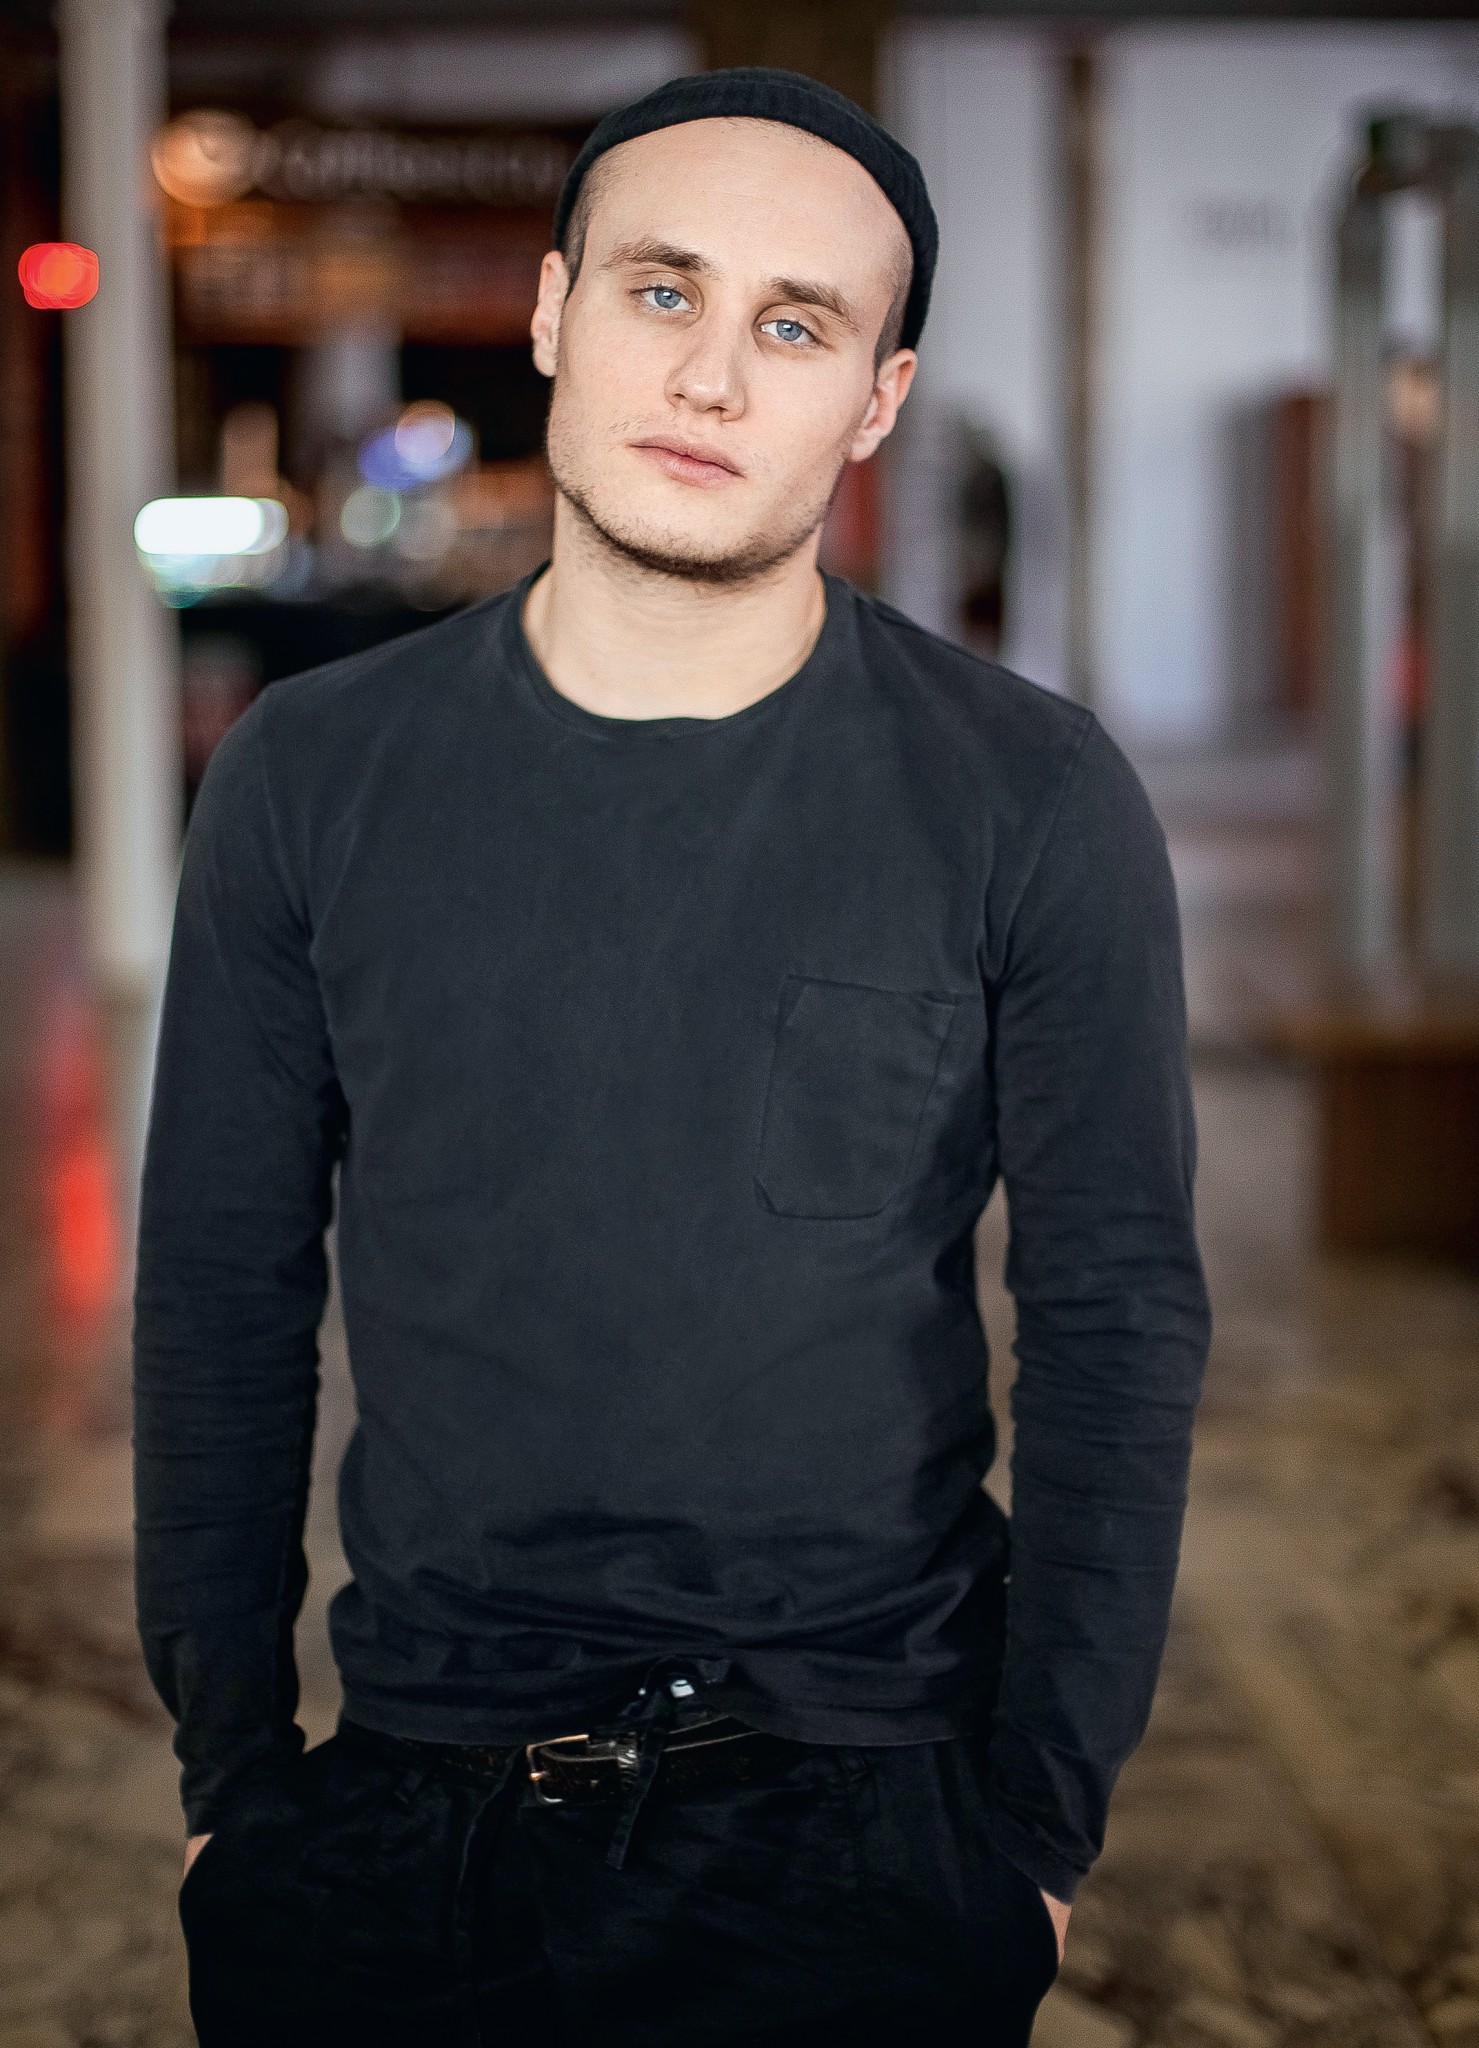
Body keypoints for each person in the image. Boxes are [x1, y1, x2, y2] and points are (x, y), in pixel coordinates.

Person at [134, 66, 1210, 2048]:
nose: (710, 377)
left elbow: (1116, 1317)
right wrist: (233, 1800)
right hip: (404, 1800)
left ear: (873, 399)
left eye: (796, 326)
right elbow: (219, 1285)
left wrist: (1031, 1842)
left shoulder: (1027, 799)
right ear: (555, 312)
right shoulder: (313, 773)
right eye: (660, 290)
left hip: (864, 1804)